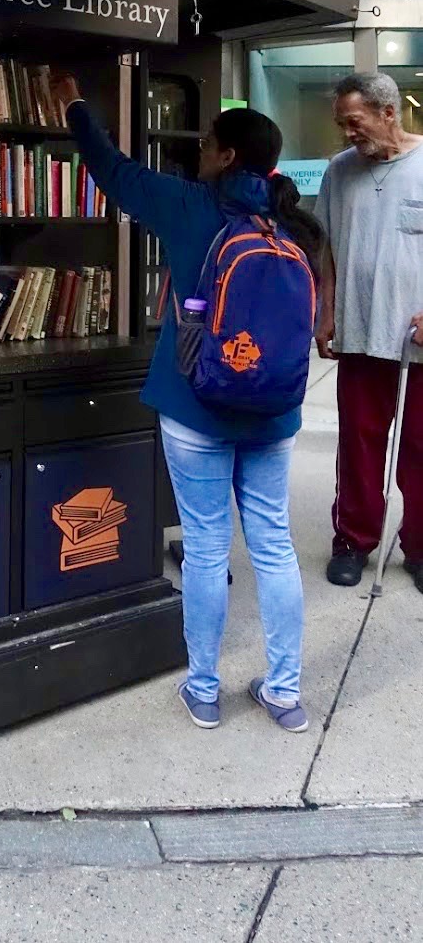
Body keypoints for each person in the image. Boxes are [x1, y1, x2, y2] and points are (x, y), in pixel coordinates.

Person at [52, 76, 323, 734]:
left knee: (205, 547)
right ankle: (283, 694)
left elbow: (112, 170)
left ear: (229, 156)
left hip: (196, 407)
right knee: (273, 543)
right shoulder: (295, 224)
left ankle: (204, 690)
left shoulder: (188, 206)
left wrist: (75, 107)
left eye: (207, 144)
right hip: (274, 412)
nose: (199, 151)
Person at [314, 73, 423, 592]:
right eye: (341, 125)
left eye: (353, 122)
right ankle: (354, 540)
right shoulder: (339, 172)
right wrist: (325, 311)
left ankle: (420, 547)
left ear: (388, 113)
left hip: (419, 339)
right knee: (358, 444)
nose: (347, 134)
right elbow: (326, 249)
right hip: (360, 332)